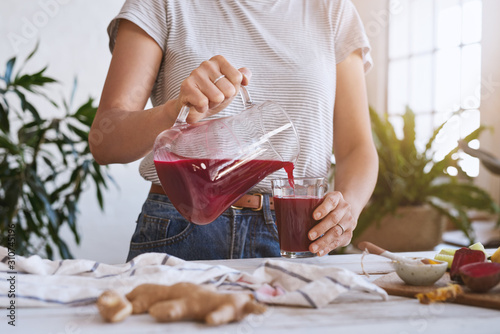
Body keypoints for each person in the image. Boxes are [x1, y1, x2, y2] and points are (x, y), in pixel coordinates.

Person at [89, 0, 378, 261]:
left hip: (297, 231)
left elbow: (357, 148)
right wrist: (176, 109)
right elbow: (105, 141)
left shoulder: (332, 9)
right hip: (180, 226)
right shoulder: (162, 4)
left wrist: (346, 209)